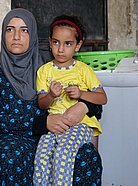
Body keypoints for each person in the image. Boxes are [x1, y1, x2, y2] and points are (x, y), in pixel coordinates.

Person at [0, 8, 103, 186]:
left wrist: (83, 106)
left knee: (87, 156)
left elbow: (96, 100)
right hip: (15, 138)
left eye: (24, 30)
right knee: (11, 156)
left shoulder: (50, 66)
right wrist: (42, 123)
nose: (16, 36)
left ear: (34, 34)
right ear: (3, 34)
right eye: (10, 29)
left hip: (59, 133)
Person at [33, 15, 107, 185]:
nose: (60, 49)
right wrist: (51, 95)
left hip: (80, 124)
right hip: (54, 125)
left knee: (62, 154)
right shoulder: (44, 71)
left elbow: (102, 98)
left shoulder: (83, 70)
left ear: (77, 45)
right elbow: (42, 103)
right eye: (56, 42)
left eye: (68, 44)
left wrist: (81, 94)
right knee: (42, 158)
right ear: (50, 42)